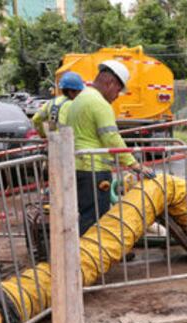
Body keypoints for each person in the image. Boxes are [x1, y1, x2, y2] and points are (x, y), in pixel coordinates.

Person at [65, 59, 151, 234]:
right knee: (94, 219)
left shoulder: (80, 99)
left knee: (86, 215)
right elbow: (111, 138)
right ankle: (89, 250)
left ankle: (84, 248)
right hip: (94, 170)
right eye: (118, 90)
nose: (117, 96)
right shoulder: (99, 104)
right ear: (110, 83)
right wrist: (134, 164)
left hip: (78, 167)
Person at [31, 72, 85, 138]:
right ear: (71, 92)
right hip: (68, 142)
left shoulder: (51, 103)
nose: (80, 94)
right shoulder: (73, 105)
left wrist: (42, 134)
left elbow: (36, 119)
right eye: (79, 91)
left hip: (53, 141)